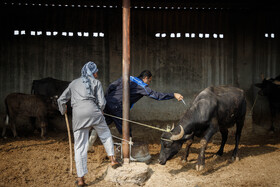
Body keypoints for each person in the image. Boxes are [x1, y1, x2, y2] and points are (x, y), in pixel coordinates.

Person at [57, 61, 120, 187]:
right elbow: (102, 102)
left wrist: (63, 110)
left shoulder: (73, 83)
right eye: (96, 72)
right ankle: (112, 159)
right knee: (105, 133)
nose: (97, 74)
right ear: (93, 72)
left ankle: (80, 179)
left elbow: (61, 100)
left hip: (78, 115)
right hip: (94, 111)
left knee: (80, 147)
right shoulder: (96, 82)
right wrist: (100, 111)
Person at [102, 70, 184, 136]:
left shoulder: (129, 78)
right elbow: (156, 96)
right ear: (145, 78)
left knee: (103, 123)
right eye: (149, 81)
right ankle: (128, 151)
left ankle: (91, 138)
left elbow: (111, 86)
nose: (149, 83)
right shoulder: (142, 86)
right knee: (125, 130)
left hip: (108, 101)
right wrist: (173, 95)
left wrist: (106, 99)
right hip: (117, 106)